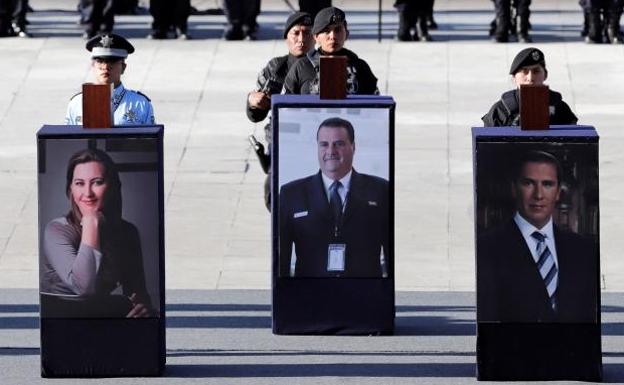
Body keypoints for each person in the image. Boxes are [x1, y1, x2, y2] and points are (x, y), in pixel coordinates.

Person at [477, 150, 598, 323]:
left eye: (547, 184)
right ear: (514, 188)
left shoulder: (584, 250)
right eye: (529, 183)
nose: (539, 195)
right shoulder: (486, 248)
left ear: (558, 192)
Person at [40, 149, 152, 318]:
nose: (88, 193)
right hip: (59, 317)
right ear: (70, 188)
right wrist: (91, 222)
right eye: (79, 183)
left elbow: (138, 293)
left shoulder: (128, 233)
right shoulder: (56, 230)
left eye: (97, 182)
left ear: (113, 186)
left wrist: (143, 307)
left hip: (99, 314)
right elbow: (83, 289)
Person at [279, 117, 389, 278]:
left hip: (364, 296)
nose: (331, 151)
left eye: (339, 144)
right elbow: (282, 259)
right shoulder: (292, 194)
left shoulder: (379, 190)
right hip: (310, 297)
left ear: (353, 147)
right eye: (324, 144)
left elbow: (390, 252)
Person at [247, 11, 314, 211]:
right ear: (287, 37)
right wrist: (253, 102)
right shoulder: (276, 68)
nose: (301, 39)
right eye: (296, 33)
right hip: (282, 143)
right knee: (275, 199)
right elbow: (256, 114)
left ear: (316, 37)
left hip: (316, 143)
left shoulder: (325, 66)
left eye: (307, 33)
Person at [283, 6, 379, 95]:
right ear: (315, 36)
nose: (332, 36)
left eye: (337, 30)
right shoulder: (301, 67)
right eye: (326, 31)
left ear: (347, 34)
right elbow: (283, 105)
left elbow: (377, 106)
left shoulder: (360, 67)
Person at [65, 33, 155, 126]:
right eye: (100, 61)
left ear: (123, 67)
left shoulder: (139, 104)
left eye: (112, 61)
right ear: (92, 66)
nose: (106, 66)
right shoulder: (77, 103)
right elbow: (68, 138)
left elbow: (151, 139)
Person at [482, 48, 577, 127]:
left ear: (545, 75)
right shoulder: (501, 110)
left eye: (536, 71)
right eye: (524, 72)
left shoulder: (560, 108)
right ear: (514, 78)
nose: (530, 78)